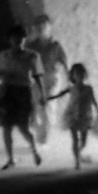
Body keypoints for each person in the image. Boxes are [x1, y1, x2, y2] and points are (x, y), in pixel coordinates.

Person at [0, 24, 44, 170]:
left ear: (24, 39)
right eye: (14, 37)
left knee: (23, 127)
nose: (17, 40)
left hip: (23, 92)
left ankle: (34, 150)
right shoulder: (4, 56)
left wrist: (42, 95)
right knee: (6, 127)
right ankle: (10, 159)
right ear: (10, 39)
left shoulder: (33, 56)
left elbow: (37, 77)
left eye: (20, 37)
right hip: (7, 93)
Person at [46, 63, 98, 169]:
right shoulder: (71, 88)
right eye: (77, 74)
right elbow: (59, 95)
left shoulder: (89, 88)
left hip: (85, 115)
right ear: (73, 76)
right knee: (75, 139)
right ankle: (77, 161)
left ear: (84, 75)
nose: (79, 76)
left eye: (81, 74)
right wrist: (47, 99)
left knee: (84, 142)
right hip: (72, 115)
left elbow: (94, 101)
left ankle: (78, 153)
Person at [26, 14, 68, 143]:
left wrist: (70, 79)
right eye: (38, 27)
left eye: (44, 26)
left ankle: (44, 137)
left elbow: (64, 62)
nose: (41, 29)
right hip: (36, 79)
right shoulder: (31, 46)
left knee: (48, 105)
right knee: (38, 107)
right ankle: (41, 133)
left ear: (49, 27)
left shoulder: (56, 46)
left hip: (51, 78)